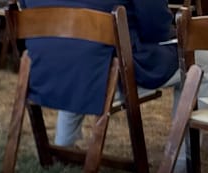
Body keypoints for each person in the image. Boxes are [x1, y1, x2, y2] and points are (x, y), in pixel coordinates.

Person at [20, 0, 177, 149]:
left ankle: (64, 143)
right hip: (101, 75)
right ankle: (182, 159)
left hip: (44, 73)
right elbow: (157, 28)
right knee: (191, 62)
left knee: (79, 52)